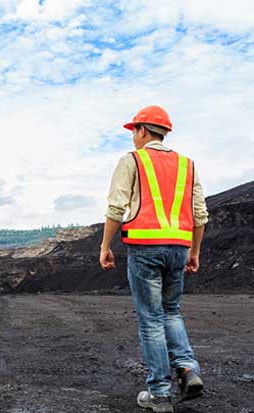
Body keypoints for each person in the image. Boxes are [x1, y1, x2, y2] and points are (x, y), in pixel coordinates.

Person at [99, 105, 208, 412]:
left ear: (142, 130)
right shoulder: (188, 165)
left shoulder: (132, 160)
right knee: (171, 311)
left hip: (145, 250)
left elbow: (115, 208)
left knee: (151, 320)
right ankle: (188, 370)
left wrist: (105, 246)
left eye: (133, 130)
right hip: (178, 249)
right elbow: (200, 213)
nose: (132, 137)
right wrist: (195, 251)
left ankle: (159, 393)